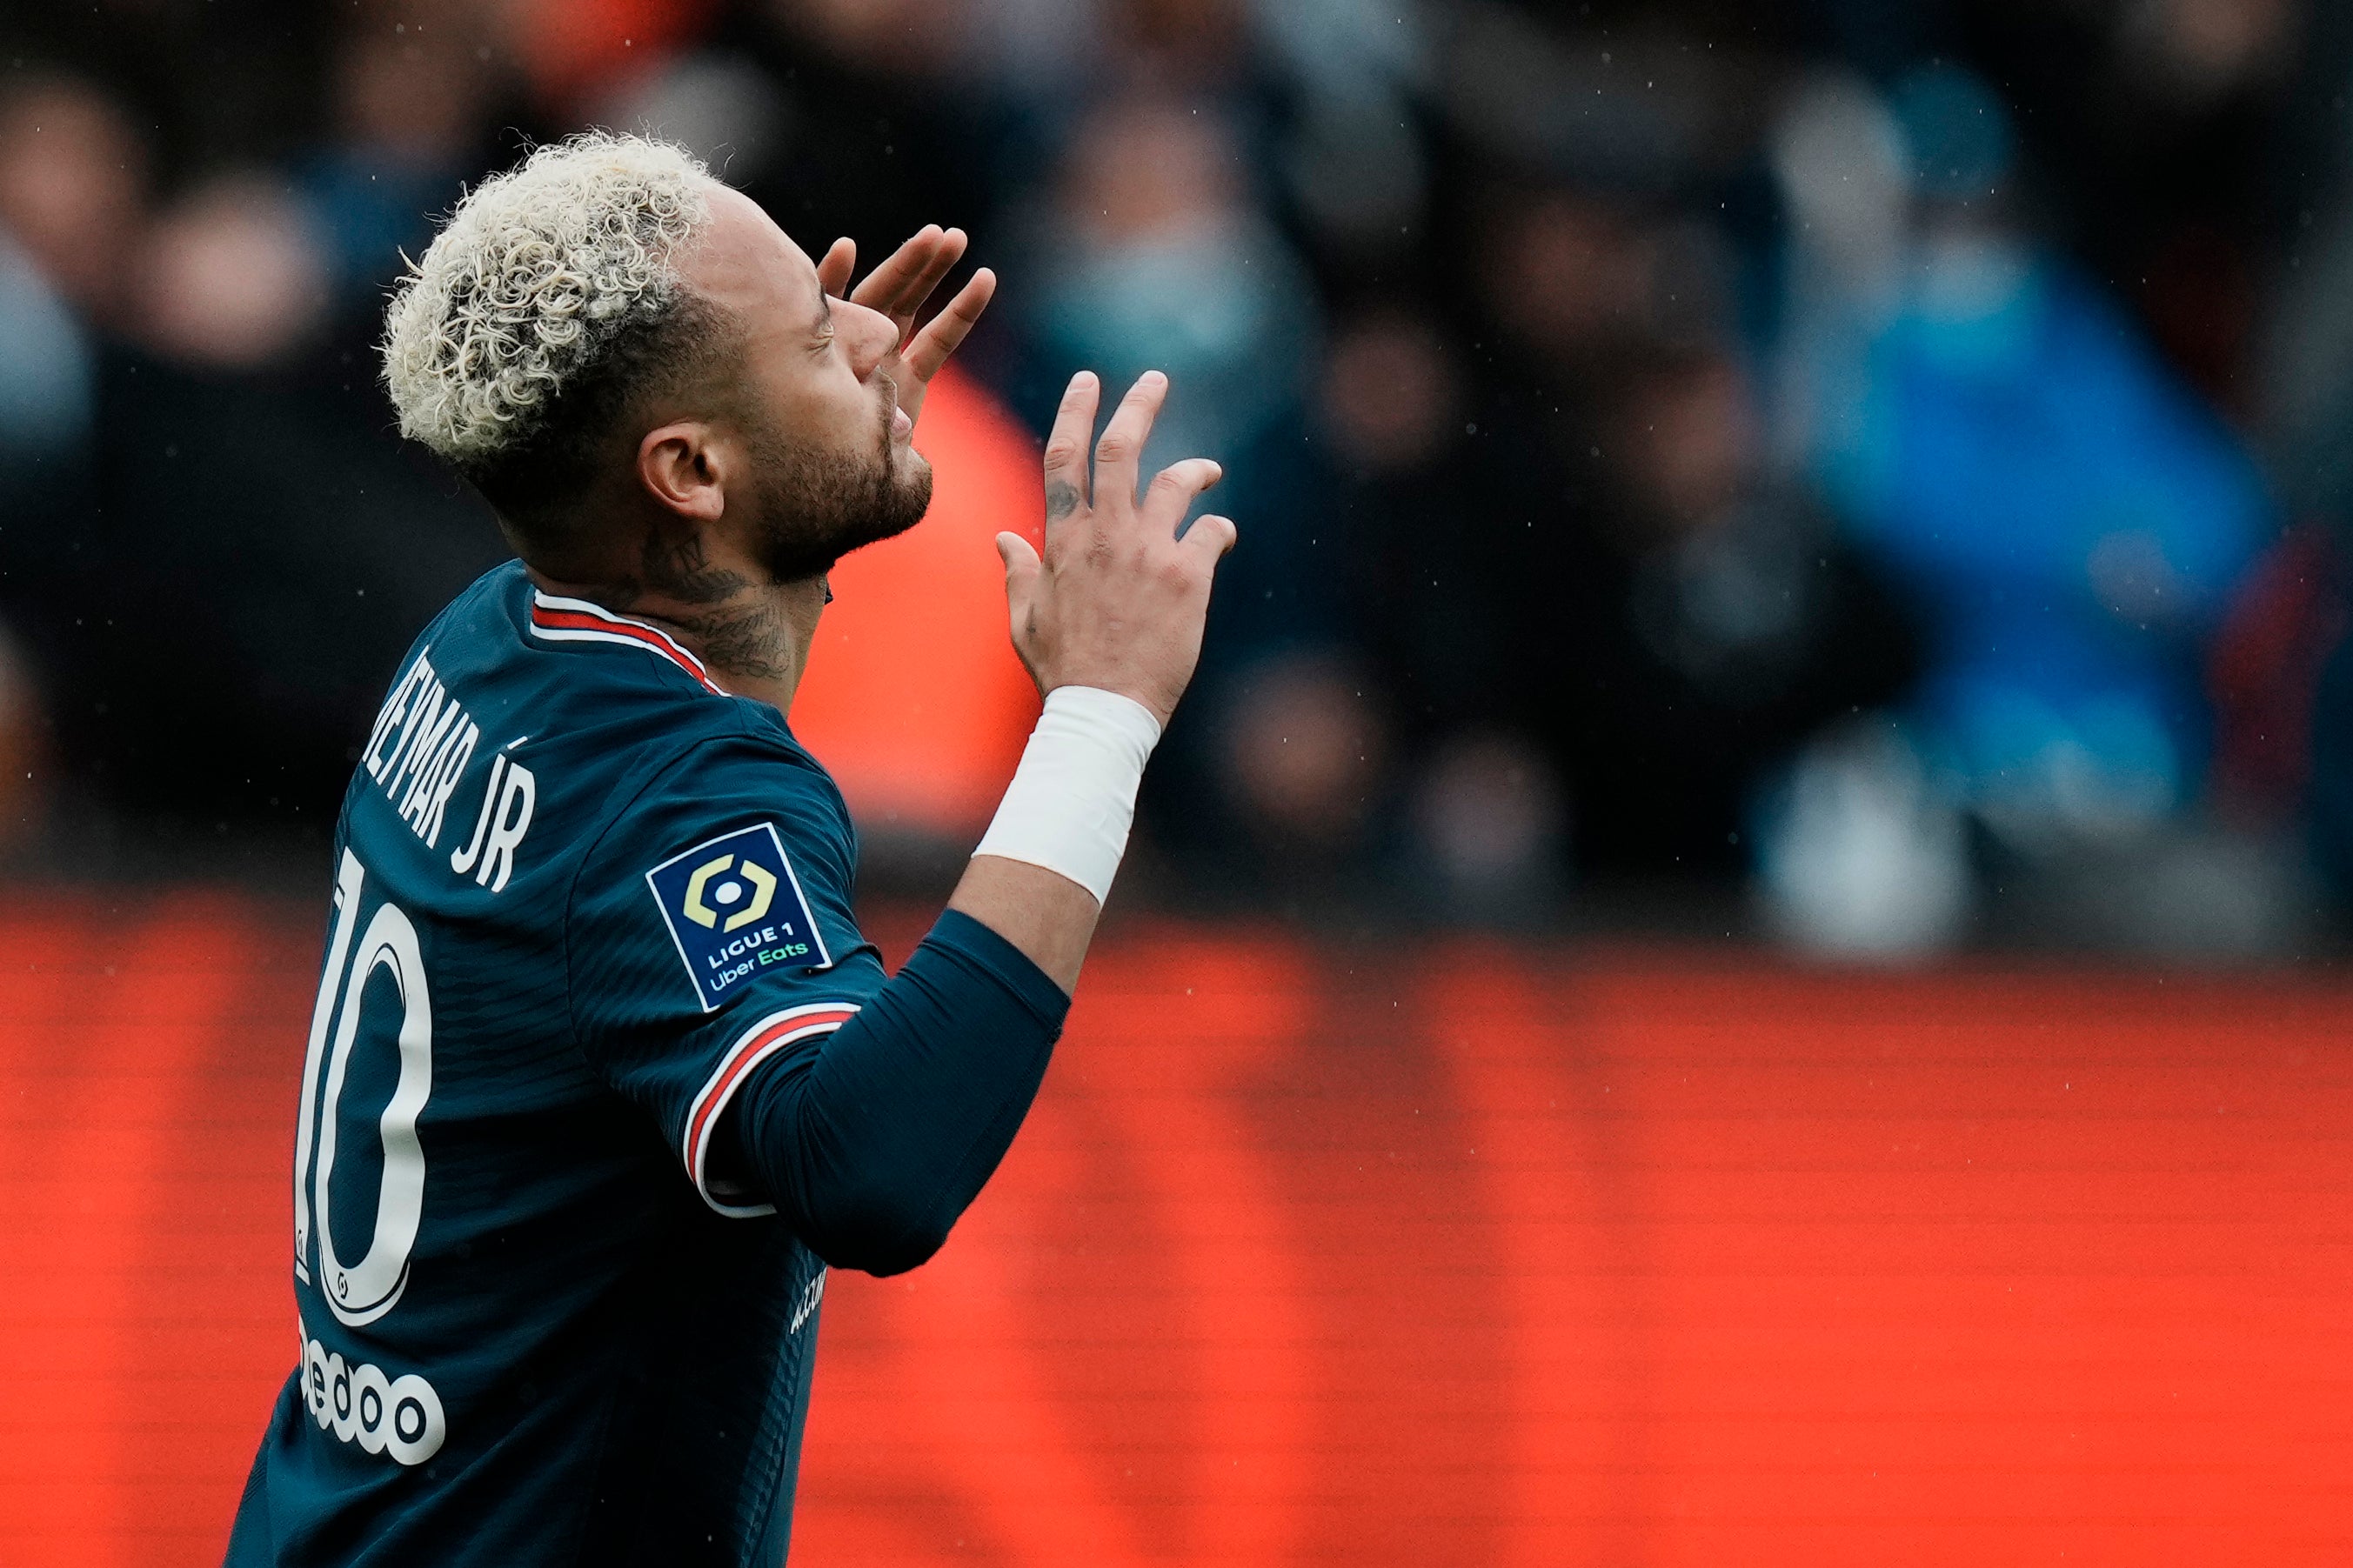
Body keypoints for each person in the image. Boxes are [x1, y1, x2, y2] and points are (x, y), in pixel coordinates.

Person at [223, 131, 1236, 1565]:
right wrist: (1099, 712)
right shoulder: (673, 788)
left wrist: (800, 463)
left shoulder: (480, 643)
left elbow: (666, 747)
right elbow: (868, 1162)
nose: (882, 333)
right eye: (822, 339)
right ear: (689, 470)